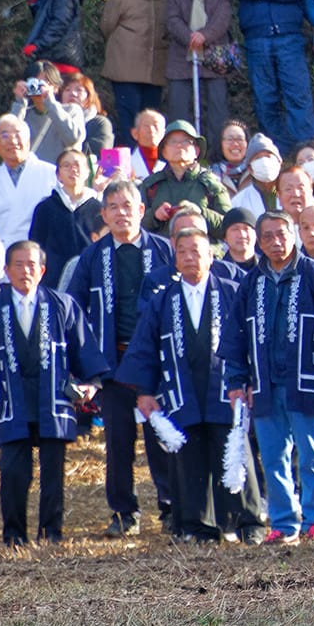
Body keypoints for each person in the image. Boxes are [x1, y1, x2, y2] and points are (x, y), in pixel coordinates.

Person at [0, 240, 105, 546]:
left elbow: (85, 351)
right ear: (6, 270)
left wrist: (90, 384)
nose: (25, 271)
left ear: (42, 270)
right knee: (13, 472)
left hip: (53, 398)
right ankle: (14, 534)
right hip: (11, 398)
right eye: (18, 264)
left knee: (53, 473)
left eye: (31, 265)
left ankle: (51, 533)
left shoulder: (62, 304)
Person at [221, 209, 314, 544]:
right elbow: (234, 337)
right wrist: (237, 380)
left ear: (293, 235)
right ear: (259, 242)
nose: (276, 242)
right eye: (268, 237)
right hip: (264, 385)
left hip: (307, 381)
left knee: (312, 453)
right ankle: (283, 522)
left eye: (281, 234)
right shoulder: (251, 283)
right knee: (273, 457)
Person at [63, 179, 177, 535]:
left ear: (141, 210)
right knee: (117, 441)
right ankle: (124, 512)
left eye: (127, 206)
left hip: (156, 363)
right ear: (103, 215)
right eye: (113, 207)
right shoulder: (93, 256)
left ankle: (171, 507)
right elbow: (72, 309)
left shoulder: (163, 250)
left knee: (161, 438)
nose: (121, 213)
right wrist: (85, 367)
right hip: (113, 363)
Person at [116, 228, 243, 544]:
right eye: (182, 251)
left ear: (211, 256)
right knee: (188, 459)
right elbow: (144, 346)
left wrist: (246, 381)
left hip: (225, 388)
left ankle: (238, 523)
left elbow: (247, 342)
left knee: (229, 453)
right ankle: (193, 525)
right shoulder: (162, 300)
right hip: (181, 389)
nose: (189, 257)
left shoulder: (232, 291)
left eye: (196, 251)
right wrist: (144, 392)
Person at [233, 0, 314, 152]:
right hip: (258, 38)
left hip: (289, 35)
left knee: (297, 93)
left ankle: (305, 150)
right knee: (265, 96)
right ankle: (276, 149)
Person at [165, 0, 233, 152]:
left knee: (217, 106)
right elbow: (171, 18)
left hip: (215, 52)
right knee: (179, 105)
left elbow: (223, 16)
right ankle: (181, 151)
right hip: (181, 53)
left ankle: (216, 155)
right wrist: (189, 37)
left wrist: (205, 35)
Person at [100, 0, 168, 136]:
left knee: (151, 119)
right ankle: (129, 159)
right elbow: (107, 26)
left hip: (154, 72)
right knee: (129, 119)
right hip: (125, 70)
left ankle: (149, 160)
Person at [0, 115, 59, 254]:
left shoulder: (51, 174)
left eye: (17, 134)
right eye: (5, 135)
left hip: (40, 255)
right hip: (1, 258)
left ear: (28, 142)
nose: (12, 140)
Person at [28, 146, 103, 291]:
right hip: (53, 281)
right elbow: (36, 245)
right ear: (58, 175)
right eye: (66, 165)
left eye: (77, 165)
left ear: (87, 172)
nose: (73, 169)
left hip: (91, 278)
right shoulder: (45, 207)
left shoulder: (98, 208)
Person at [140, 120, 231, 239]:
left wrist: (200, 213)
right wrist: (154, 216)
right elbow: (135, 226)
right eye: (173, 141)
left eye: (186, 141)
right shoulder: (150, 185)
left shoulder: (212, 184)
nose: (179, 145)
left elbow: (229, 227)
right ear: (164, 151)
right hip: (162, 253)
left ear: (196, 151)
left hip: (204, 252)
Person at [7, 61, 86, 165]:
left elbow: (72, 139)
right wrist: (19, 102)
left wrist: (50, 102)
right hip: (31, 174)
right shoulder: (24, 113)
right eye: (34, 83)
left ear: (56, 88)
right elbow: (9, 140)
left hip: (60, 175)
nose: (39, 87)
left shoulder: (71, 110)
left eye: (46, 83)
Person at [229, 134, 283, 220]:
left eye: (268, 156)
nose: (264, 162)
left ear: (279, 162)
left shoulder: (292, 193)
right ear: (250, 168)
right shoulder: (239, 202)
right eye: (258, 158)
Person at [59, 72, 114, 152]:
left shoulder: (99, 123)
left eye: (79, 90)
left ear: (89, 96)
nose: (73, 94)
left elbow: (99, 153)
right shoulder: (52, 119)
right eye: (67, 90)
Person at [215, 208, 257, 284]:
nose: (242, 235)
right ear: (225, 237)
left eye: (246, 229)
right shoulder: (216, 272)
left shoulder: (269, 267)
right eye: (235, 229)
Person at [211, 120, 253, 195]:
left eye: (240, 139)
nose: (235, 144)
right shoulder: (210, 176)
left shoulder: (256, 173)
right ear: (220, 144)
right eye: (230, 139)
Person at [127, 109, 166, 180]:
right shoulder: (126, 163)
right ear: (135, 133)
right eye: (146, 126)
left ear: (164, 133)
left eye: (155, 125)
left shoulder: (172, 161)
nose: (151, 129)